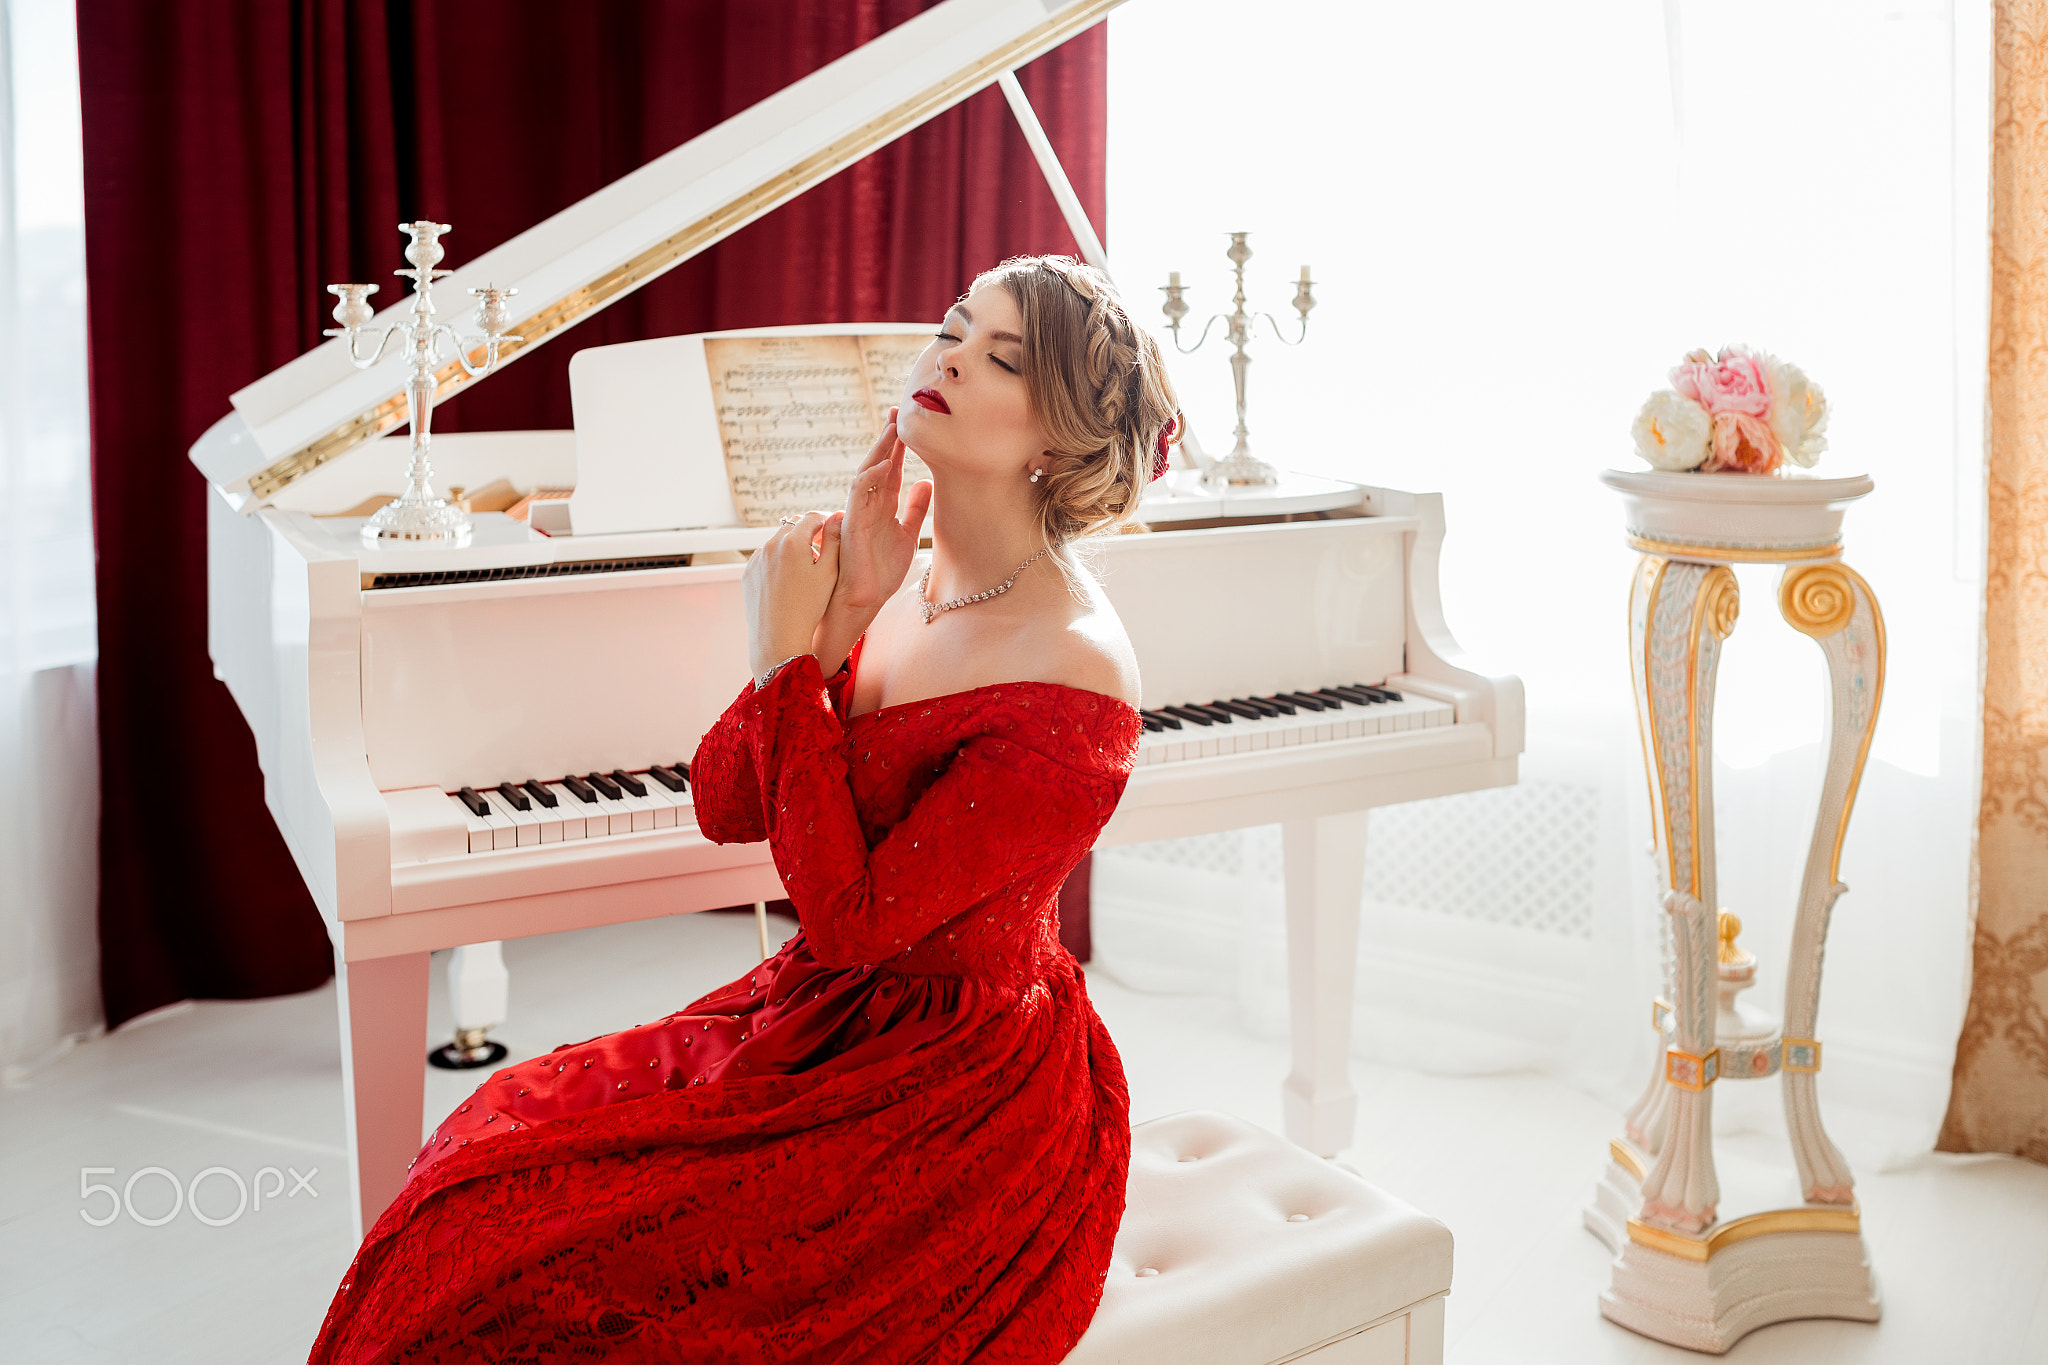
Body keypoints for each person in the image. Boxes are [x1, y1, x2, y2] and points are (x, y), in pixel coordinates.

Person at [307, 255, 1183, 1365]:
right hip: (830, 1018)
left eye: (1001, 357)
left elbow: (858, 921)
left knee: (531, 1267)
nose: (950, 354)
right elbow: (723, 800)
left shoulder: (1075, 670)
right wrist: (836, 621)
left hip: (950, 1095)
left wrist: (784, 656)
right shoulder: (909, 582)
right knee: (486, 1145)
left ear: (1055, 440)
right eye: (953, 326)